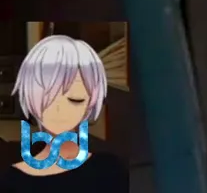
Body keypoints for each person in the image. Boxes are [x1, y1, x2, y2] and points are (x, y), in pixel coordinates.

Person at [0, 35, 128, 192]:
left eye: (74, 100)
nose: (59, 110)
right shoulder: (12, 180)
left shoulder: (110, 169)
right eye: (49, 99)